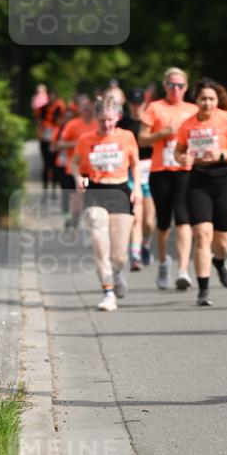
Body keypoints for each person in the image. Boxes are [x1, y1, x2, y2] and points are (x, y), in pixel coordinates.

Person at [175, 78, 227, 305]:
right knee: (202, 235)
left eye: (211, 99)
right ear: (196, 100)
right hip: (198, 181)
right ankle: (203, 289)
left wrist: (222, 155)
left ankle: (220, 261)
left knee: (222, 240)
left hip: (224, 179)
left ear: (217, 100)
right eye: (203, 98)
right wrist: (182, 158)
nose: (207, 103)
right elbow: (178, 152)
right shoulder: (187, 125)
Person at [70, 96, 141, 311]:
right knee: (100, 246)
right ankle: (108, 293)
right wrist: (77, 178)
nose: (107, 124)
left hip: (120, 192)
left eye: (110, 120)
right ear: (95, 119)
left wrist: (136, 187)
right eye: (102, 120)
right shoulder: (85, 140)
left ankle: (118, 272)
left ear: (117, 117)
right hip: (95, 191)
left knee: (119, 255)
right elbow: (74, 163)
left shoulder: (127, 137)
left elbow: (135, 165)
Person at [138, 68, 197, 291]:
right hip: (160, 170)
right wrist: (162, 133)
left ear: (186, 87)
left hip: (185, 169)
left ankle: (182, 269)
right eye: (171, 85)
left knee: (183, 219)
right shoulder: (155, 107)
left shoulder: (193, 110)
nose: (175, 89)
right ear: (165, 86)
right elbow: (142, 140)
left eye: (180, 85)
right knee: (162, 222)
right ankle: (163, 263)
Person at [118, 87, 156, 270]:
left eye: (139, 103)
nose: (136, 107)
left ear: (144, 104)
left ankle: (146, 243)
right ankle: (135, 255)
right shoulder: (122, 123)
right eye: (133, 104)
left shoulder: (149, 122)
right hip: (130, 171)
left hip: (150, 169)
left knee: (149, 221)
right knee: (136, 215)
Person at [51, 95, 96, 228]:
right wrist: (76, 144)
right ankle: (73, 219)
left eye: (89, 108)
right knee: (77, 198)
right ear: (80, 110)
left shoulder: (97, 124)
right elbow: (59, 144)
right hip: (75, 170)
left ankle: (80, 220)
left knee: (86, 197)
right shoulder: (72, 124)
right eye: (84, 108)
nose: (87, 111)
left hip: (92, 170)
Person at [36, 89, 66, 192]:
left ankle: (53, 189)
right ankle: (45, 190)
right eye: (49, 96)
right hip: (45, 139)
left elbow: (62, 121)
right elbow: (39, 122)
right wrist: (40, 133)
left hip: (55, 139)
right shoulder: (42, 108)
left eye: (53, 95)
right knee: (46, 165)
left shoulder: (60, 107)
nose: (51, 98)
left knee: (54, 166)